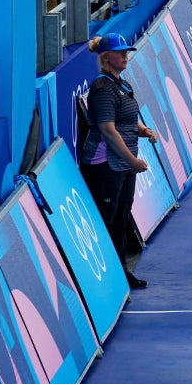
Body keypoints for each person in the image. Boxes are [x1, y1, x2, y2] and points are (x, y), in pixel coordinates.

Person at [78, 33, 158, 289]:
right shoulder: (101, 90)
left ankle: (121, 273)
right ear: (105, 58)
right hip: (106, 165)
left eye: (126, 51)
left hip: (122, 165)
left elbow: (126, 117)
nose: (125, 55)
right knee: (108, 220)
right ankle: (102, 281)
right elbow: (109, 131)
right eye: (120, 52)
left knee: (122, 217)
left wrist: (143, 130)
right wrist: (133, 161)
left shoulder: (121, 85)